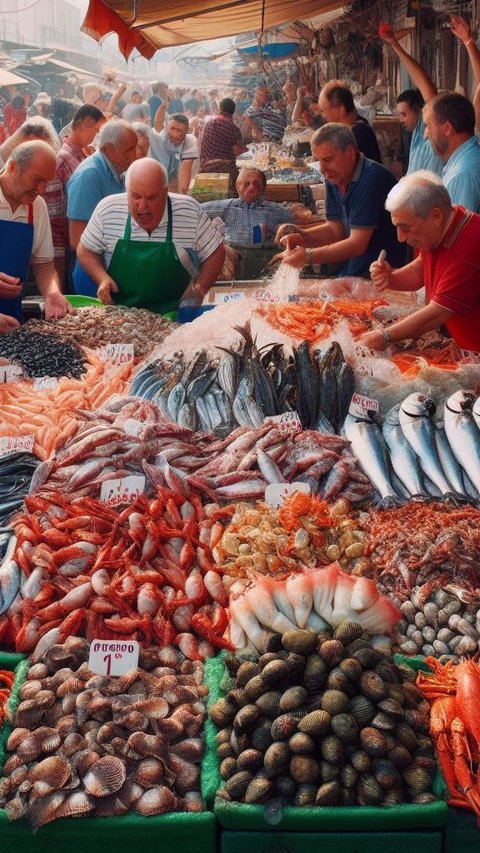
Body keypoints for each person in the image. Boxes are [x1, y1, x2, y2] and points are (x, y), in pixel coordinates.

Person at [76, 158, 225, 314]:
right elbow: (85, 250)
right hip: (121, 316)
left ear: (166, 191)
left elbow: (216, 252)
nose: (142, 206)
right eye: (135, 196)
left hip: (175, 314)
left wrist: (199, 290)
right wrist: (102, 278)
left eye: (151, 197)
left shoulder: (189, 210)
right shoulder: (107, 210)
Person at [359, 171, 480, 352]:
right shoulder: (444, 226)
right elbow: (419, 272)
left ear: (436, 216)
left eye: (405, 227)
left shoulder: (470, 243)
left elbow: (437, 313)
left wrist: (385, 336)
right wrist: (390, 277)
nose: (400, 238)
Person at [274, 124, 405, 278]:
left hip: (384, 275)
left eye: (328, 159)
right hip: (356, 270)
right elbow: (336, 231)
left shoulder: (372, 179)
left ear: (350, 153)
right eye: (318, 160)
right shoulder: (334, 177)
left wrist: (308, 256)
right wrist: (302, 236)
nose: (322, 169)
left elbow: (357, 245)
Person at [0, 141, 71, 330]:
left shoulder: (37, 206)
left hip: (12, 319)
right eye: (37, 180)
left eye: (47, 182)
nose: (42, 190)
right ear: (13, 167)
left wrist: (52, 292)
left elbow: (44, 265)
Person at [67, 119, 137, 295]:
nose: (134, 156)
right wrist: (101, 276)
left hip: (111, 271)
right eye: (129, 150)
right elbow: (77, 239)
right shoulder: (89, 176)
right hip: (93, 276)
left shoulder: (116, 171)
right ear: (106, 149)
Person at [42, 104, 105, 286]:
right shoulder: (63, 158)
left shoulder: (81, 156)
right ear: (84, 125)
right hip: (69, 244)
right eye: (97, 130)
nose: (97, 137)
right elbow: (55, 215)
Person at [380, 24, 443, 175]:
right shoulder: (415, 135)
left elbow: (424, 84)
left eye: (404, 114)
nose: (400, 120)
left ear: (419, 110)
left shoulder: (427, 125)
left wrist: (395, 44)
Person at [201, 167, 293, 246]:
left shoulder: (274, 210)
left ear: (263, 188)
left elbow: (295, 222)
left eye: (256, 184)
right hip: (234, 255)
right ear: (237, 187)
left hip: (262, 256)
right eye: (246, 184)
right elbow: (196, 209)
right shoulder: (228, 207)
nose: (251, 188)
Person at [422, 92, 480, 212]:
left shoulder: (462, 174)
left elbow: (459, 230)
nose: (425, 135)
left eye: (428, 126)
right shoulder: (465, 161)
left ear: (447, 128)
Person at [317, 81, 383, 163]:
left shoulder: (358, 132)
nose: (323, 116)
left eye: (324, 111)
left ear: (341, 109)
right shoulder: (353, 126)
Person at [199, 98, 247, 196]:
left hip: (205, 167)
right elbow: (239, 154)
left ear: (220, 108)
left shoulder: (208, 122)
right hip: (226, 170)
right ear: (233, 111)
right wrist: (251, 152)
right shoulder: (232, 127)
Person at [150, 112, 198, 194]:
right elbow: (157, 123)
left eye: (179, 130)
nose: (175, 134)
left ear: (186, 132)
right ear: (167, 127)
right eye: (172, 128)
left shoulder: (190, 140)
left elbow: (184, 185)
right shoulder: (161, 137)